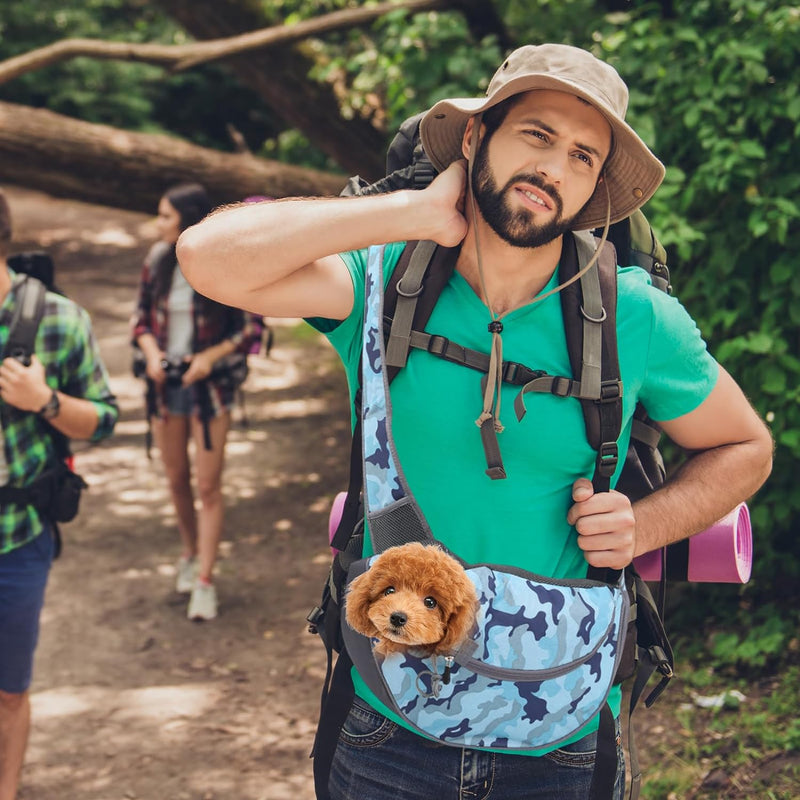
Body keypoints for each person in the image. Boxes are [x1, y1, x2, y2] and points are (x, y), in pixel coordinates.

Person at [176, 44, 773, 799]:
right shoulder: (385, 282)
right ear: (473, 139)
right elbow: (206, 257)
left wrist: (647, 525)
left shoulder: (633, 316)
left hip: (562, 734)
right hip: (389, 725)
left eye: (583, 156)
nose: (555, 169)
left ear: (594, 187)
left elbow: (746, 445)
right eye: (536, 135)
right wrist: (414, 211)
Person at [0, 188, 118, 800]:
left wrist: (42, 401)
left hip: (17, 537)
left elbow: (102, 420)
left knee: (8, 689)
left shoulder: (57, 319)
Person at [132, 183, 259, 621]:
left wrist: (207, 358)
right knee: (175, 477)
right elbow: (141, 320)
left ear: (187, 221)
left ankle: (204, 580)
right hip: (166, 386)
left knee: (208, 485)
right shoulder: (156, 261)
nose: (159, 224)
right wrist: (152, 356)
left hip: (211, 390)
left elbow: (249, 330)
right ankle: (189, 552)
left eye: (166, 216)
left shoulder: (221, 264)